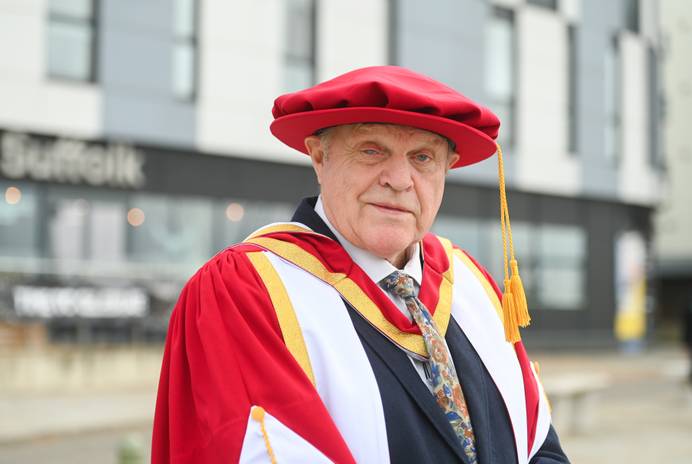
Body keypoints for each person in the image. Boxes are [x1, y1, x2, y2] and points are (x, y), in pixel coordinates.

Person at [152, 66, 569, 463]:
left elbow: (540, 450)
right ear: (319, 157)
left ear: (447, 169)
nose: (400, 179)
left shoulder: (470, 285)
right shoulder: (248, 292)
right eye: (372, 150)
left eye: (423, 158)